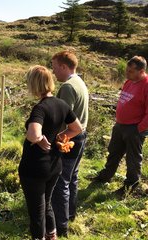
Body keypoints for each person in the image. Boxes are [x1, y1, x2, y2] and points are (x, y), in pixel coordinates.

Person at [18, 65, 82, 240]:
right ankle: (52, 236)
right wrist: (61, 135)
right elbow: (77, 128)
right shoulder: (61, 104)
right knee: (47, 204)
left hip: (35, 168)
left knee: (36, 211)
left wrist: (38, 139)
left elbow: (33, 134)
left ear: (34, 85)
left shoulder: (40, 108)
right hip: (54, 165)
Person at [92, 56, 148, 196]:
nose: (126, 73)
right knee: (114, 152)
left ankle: (130, 186)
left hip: (134, 128)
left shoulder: (146, 85)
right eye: (127, 70)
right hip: (120, 125)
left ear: (141, 71)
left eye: (130, 71)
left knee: (133, 159)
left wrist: (139, 129)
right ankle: (105, 176)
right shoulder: (130, 81)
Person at [50, 50, 89, 237]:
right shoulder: (80, 82)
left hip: (69, 138)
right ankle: (70, 214)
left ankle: (61, 224)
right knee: (72, 177)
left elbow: (61, 117)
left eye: (55, 67)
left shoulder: (67, 87)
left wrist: (54, 137)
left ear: (64, 67)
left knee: (61, 181)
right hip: (81, 137)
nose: (53, 71)